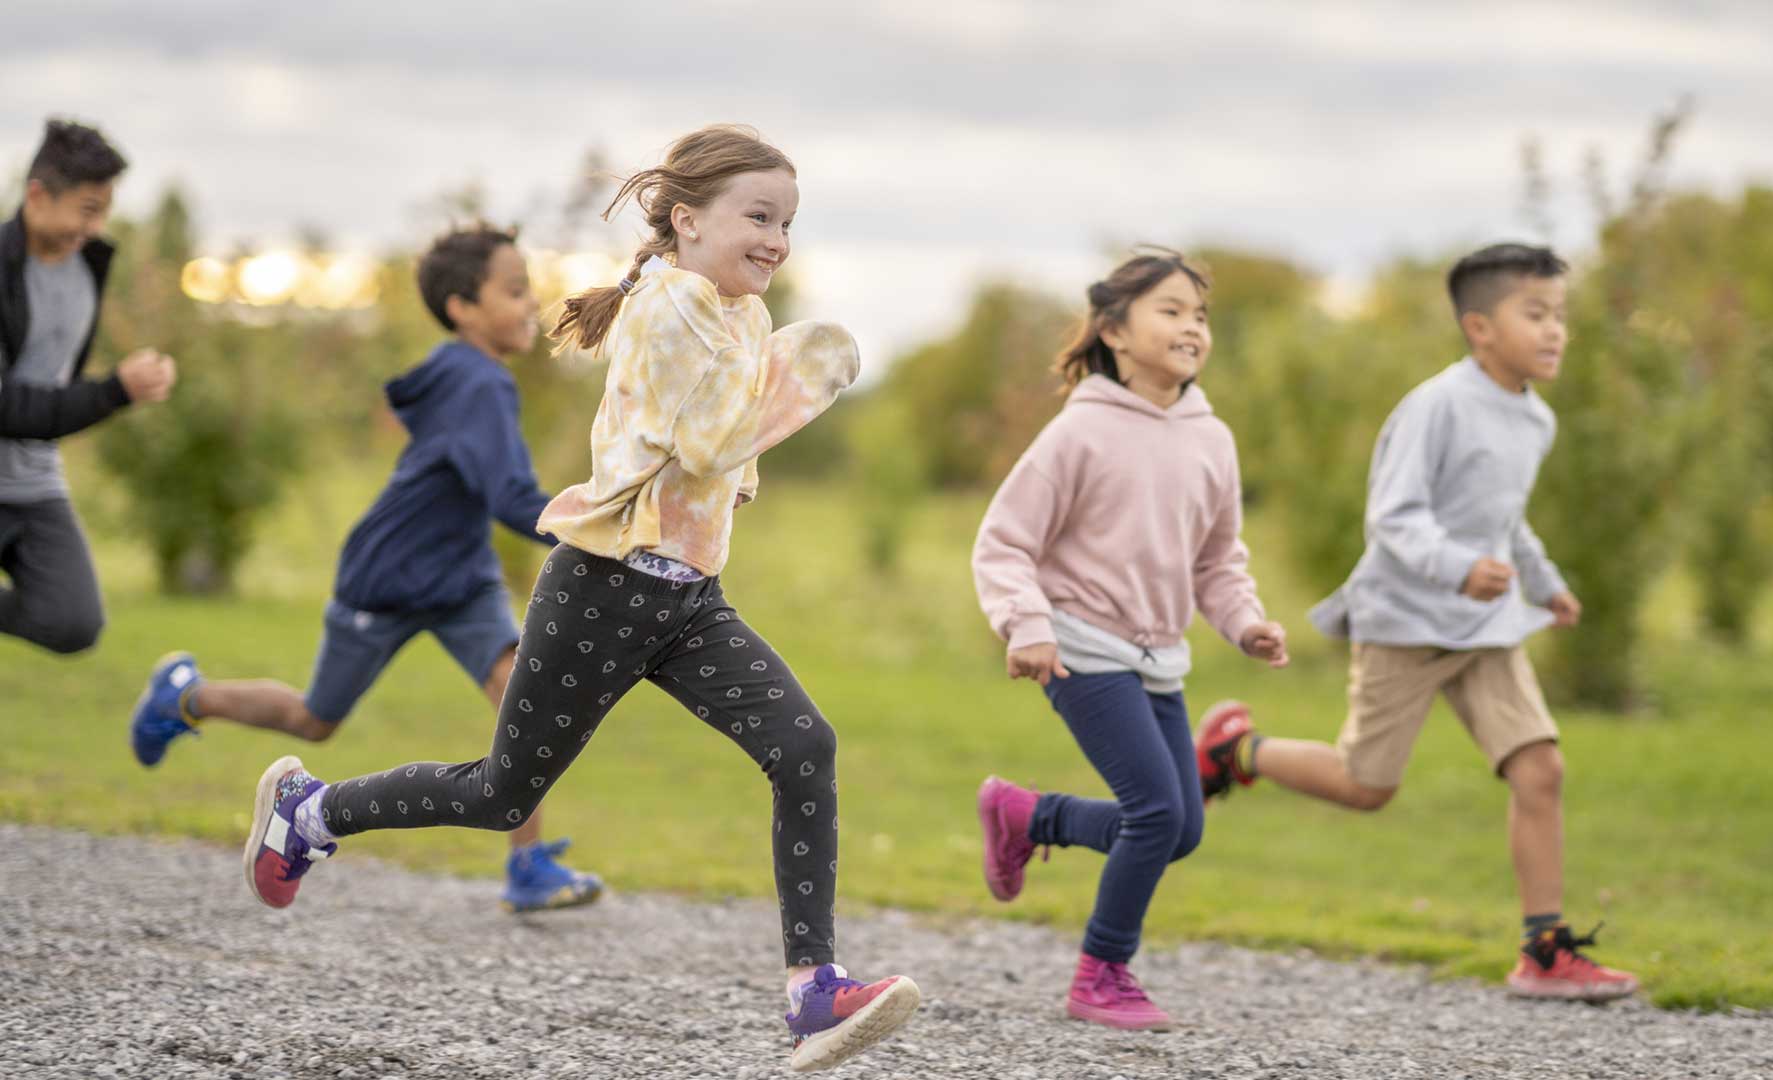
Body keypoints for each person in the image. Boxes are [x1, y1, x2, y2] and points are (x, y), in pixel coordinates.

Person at [234, 126, 918, 1072]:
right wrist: (805, 373)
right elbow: (719, 438)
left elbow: (728, 464)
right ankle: (310, 815)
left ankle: (814, 992)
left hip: (687, 600)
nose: (777, 240)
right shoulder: (671, 307)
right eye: (758, 216)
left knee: (804, 746)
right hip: (605, 589)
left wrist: (764, 396)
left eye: (788, 223)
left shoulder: (739, 314)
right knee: (500, 792)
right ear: (687, 218)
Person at [1195, 242, 1638, 1001]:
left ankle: (1545, 949)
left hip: (1487, 629)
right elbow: (1393, 518)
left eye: (1560, 315)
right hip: (1406, 621)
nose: (1555, 330)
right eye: (1535, 314)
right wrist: (1458, 566)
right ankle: (1239, 750)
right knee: (1367, 785)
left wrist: (1543, 581)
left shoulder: (1535, 419)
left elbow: (1506, 518)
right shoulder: (1437, 405)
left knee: (1541, 769)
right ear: (1479, 327)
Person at [130, 223, 604, 913]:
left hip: (461, 579)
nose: (532, 302)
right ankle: (185, 695)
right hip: (389, 578)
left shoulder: (475, 375)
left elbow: (491, 491)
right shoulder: (477, 382)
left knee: (516, 695)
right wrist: (597, 528)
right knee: (314, 719)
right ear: (463, 308)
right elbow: (509, 498)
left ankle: (527, 864)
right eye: (514, 289)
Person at [971, 250, 1288, 1030]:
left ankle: (1027, 815)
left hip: (1157, 657)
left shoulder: (1211, 438)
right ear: (1114, 330)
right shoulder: (1078, 434)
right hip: (1078, 644)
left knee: (1180, 828)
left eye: (1200, 315)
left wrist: (1244, 620)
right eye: (1171, 311)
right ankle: (1101, 973)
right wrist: (1029, 625)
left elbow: (1218, 560)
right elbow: (1004, 543)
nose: (1191, 327)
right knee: (1152, 813)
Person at [1, 118, 176, 655]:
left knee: (73, 622)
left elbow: (55, 380)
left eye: (104, 211)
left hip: (35, 486)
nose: (96, 227)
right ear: (38, 195)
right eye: (87, 210)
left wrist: (128, 384)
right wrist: (116, 390)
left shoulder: (88, 270)